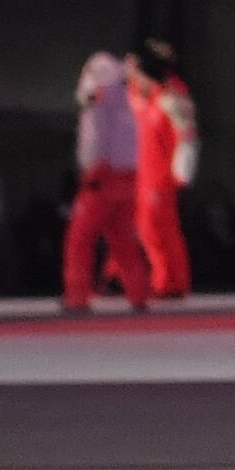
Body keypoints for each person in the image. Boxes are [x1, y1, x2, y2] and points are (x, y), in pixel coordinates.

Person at [62, 53, 155, 315]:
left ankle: (77, 297)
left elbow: (95, 137)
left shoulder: (100, 102)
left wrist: (93, 172)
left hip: (102, 179)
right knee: (125, 242)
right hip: (129, 180)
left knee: (79, 240)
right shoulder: (128, 104)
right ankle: (139, 295)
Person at [131, 37, 200, 302]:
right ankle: (172, 280)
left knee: (156, 228)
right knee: (155, 227)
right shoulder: (146, 96)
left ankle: (167, 281)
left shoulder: (171, 98)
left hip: (160, 175)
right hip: (145, 172)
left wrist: (183, 171)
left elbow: (188, 136)